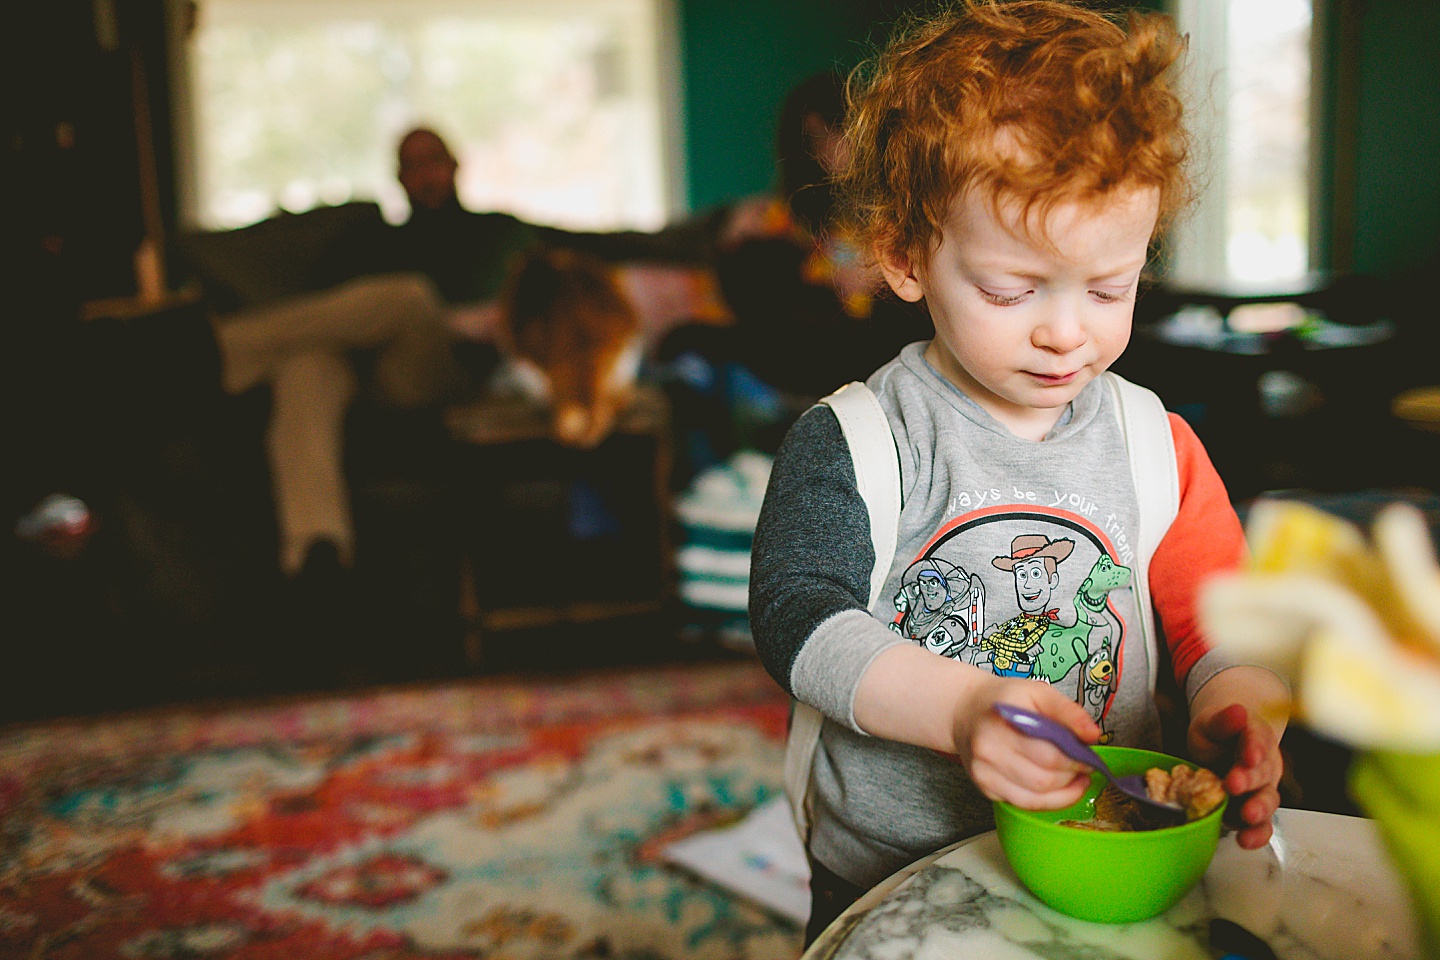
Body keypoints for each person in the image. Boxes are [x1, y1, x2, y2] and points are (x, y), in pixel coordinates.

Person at [746, 2, 1290, 945]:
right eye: (1012, 289)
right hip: (892, 868)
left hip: (1116, 846)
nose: (1066, 331)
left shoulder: (1156, 445)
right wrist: (962, 709)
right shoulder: (860, 438)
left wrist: (1233, 707)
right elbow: (799, 617)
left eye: (1109, 287)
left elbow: (1218, 623)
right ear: (907, 254)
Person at [214, 126, 721, 579]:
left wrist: (714, 234)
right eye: (413, 165)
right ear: (399, 178)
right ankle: (318, 556)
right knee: (304, 368)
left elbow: (600, 248)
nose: (426, 174)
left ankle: (217, 348)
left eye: (434, 160)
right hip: (359, 371)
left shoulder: (498, 232)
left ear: (455, 165)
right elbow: (320, 315)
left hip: (447, 368)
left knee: (409, 296)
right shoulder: (369, 240)